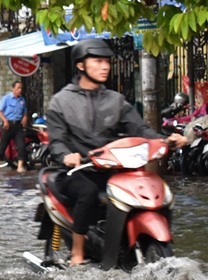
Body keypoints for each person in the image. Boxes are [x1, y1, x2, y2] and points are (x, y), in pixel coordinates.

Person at [46, 38, 187, 266]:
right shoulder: (61, 101)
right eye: (98, 61)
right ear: (81, 65)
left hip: (113, 169)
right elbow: (57, 141)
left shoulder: (116, 100)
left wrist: (165, 140)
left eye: (107, 62)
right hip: (77, 171)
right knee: (88, 192)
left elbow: (140, 129)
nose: (105, 67)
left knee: (153, 187)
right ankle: (78, 253)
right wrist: (66, 156)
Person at [0, 81, 28, 172]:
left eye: (21, 88)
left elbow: (25, 112)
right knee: (2, 146)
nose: (20, 90)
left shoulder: (22, 100)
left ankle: (19, 166)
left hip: (18, 126)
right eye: (18, 88)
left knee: (21, 146)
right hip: (8, 125)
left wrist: (25, 118)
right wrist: (5, 120)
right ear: (13, 89)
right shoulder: (7, 98)